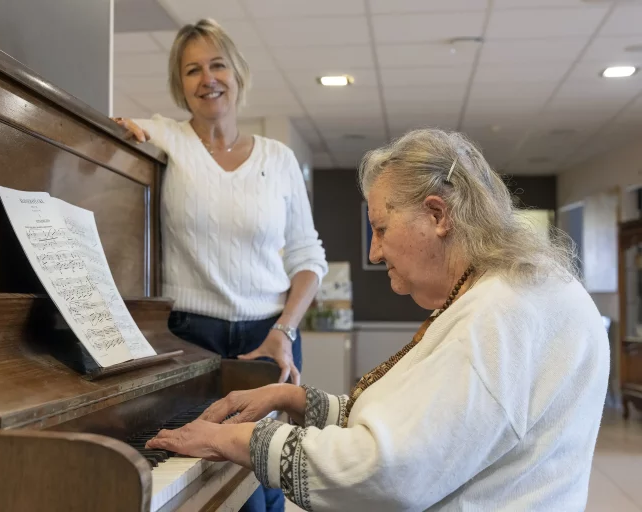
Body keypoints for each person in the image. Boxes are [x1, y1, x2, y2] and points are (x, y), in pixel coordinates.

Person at [145, 129, 610, 511]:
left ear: (437, 215)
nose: (373, 251)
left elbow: (388, 473)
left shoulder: (503, 310)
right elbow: (414, 424)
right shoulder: (506, 291)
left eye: (381, 229)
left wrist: (238, 439)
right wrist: (294, 397)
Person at [113, 18, 328, 512]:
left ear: (239, 75)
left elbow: (308, 257)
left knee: (270, 480)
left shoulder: (279, 158)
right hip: (190, 339)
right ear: (179, 85)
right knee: (204, 484)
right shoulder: (167, 138)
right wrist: (124, 131)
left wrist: (286, 331)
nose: (207, 78)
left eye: (217, 65)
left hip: (268, 338)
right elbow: (122, 136)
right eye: (192, 70)